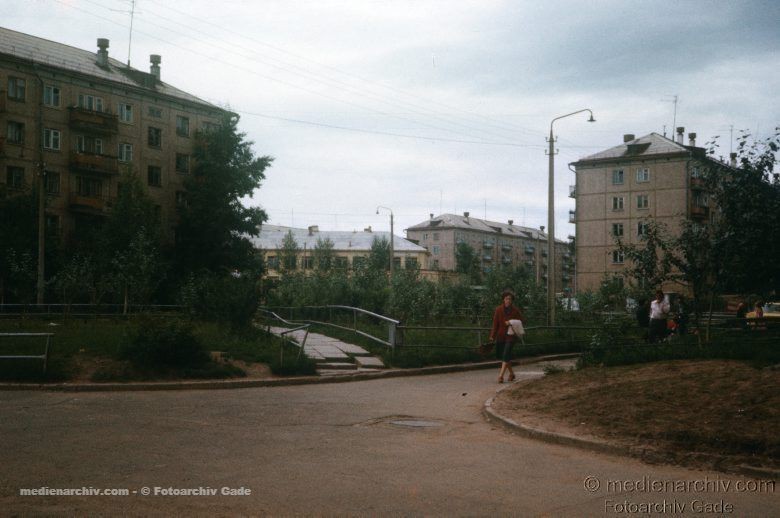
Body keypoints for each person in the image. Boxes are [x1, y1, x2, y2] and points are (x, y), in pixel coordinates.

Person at [489, 289, 524, 384]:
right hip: (501, 335)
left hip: (511, 335)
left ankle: (500, 376)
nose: (508, 300)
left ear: (512, 300)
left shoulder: (515, 310)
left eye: (510, 299)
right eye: (507, 298)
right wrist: (492, 336)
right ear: (503, 299)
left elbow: (521, 321)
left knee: (505, 354)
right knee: (504, 356)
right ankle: (512, 374)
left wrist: (511, 322)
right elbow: (495, 324)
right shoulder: (498, 309)